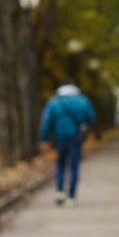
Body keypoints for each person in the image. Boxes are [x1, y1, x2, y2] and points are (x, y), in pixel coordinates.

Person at [40, 79, 95, 207]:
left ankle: (60, 191)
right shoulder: (82, 100)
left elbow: (46, 122)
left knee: (60, 164)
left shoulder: (54, 102)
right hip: (76, 138)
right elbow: (91, 117)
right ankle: (71, 197)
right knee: (74, 166)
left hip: (59, 138)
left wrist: (44, 139)